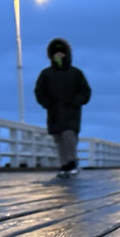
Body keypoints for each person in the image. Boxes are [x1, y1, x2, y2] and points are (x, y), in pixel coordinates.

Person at [34, 38, 91, 178]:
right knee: (58, 138)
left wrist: (77, 102)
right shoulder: (46, 74)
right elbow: (39, 90)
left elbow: (85, 91)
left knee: (69, 135)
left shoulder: (76, 73)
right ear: (51, 55)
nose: (59, 56)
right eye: (56, 53)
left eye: (62, 53)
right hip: (54, 112)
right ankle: (64, 164)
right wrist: (46, 103)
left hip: (71, 112)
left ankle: (71, 162)